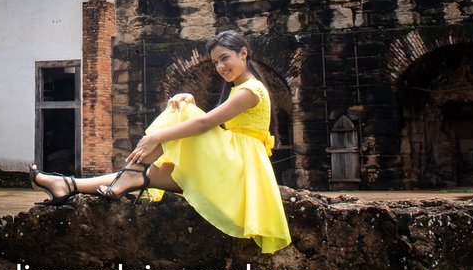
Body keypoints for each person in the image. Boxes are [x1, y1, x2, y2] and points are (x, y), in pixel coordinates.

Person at [28, 30, 291, 254]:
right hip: (235, 165)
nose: (221, 67)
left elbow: (204, 124)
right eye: (215, 62)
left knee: (181, 114)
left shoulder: (250, 90)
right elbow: (215, 122)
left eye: (225, 58)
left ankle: (129, 174)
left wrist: (156, 135)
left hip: (239, 170)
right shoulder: (241, 88)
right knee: (150, 173)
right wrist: (189, 98)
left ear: (243, 53)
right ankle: (67, 184)